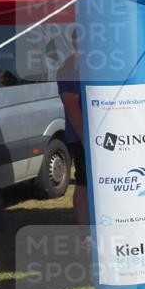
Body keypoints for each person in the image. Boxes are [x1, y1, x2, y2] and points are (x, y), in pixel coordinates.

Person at [57, 31, 87, 225]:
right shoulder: (70, 67)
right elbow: (71, 106)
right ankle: (85, 231)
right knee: (84, 182)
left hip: (96, 136)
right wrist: (86, 138)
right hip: (81, 136)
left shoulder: (87, 65)